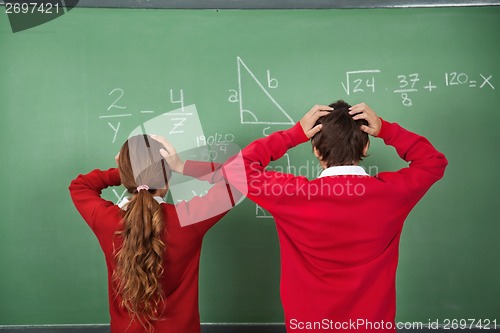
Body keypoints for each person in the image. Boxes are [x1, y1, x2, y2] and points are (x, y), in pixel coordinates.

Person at [239, 101, 448, 332]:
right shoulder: (391, 194)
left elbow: (237, 169)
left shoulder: (292, 195)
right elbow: (433, 161)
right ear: (366, 146)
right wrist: (386, 129)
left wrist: (294, 134)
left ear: (316, 150)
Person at [69, 134, 240, 333]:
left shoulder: (106, 220)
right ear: (167, 177)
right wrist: (180, 165)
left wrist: (127, 172)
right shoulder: (189, 219)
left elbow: (80, 186)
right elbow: (239, 177)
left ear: (126, 176)